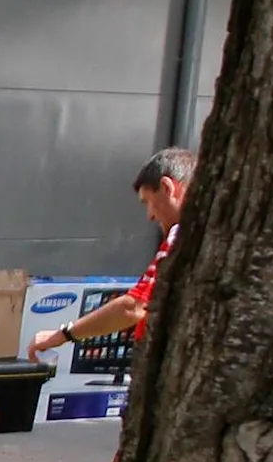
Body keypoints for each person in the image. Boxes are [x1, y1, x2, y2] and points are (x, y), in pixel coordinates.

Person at [31, 146, 195, 361]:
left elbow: (133, 307)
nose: (150, 216)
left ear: (167, 188)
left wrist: (62, 334)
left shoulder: (179, 235)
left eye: (148, 202)